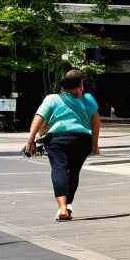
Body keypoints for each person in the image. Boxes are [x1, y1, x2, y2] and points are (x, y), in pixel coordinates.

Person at [25, 70, 100, 222]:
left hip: (57, 140)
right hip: (82, 139)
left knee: (59, 168)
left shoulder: (52, 98)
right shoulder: (88, 99)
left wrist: (30, 140)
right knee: (74, 172)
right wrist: (94, 144)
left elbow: (39, 117)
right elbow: (96, 121)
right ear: (81, 85)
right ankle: (68, 204)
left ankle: (62, 207)